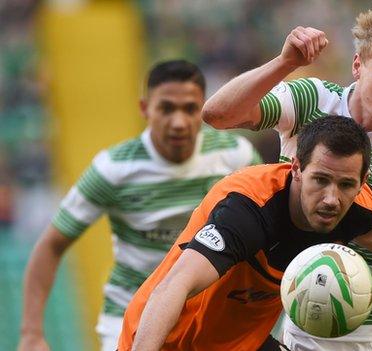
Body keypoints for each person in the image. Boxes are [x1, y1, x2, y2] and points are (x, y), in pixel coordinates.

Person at [202, 4, 372, 350]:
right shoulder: (311, 100)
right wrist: (285, 63)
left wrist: (323, 215)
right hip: (311, 330)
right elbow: (218, 114)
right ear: (357, 66)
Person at [118, 115, 372, 350]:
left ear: (362, 181)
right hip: (167, 340)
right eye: (320, 180)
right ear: (296, 168)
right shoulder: (249, 208)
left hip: (242, 345)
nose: (331, 199)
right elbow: (175, 285)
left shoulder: (357, 206)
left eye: (346, 185)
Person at [18, 60, 262, 351]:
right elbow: (51, 245)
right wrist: (31, 333)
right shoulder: (114, 169)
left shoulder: (235, 156)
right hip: (128, 313)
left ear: (205, 109)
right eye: (166, 108)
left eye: (190, 108)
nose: (179, 122)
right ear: (145, 109)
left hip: (204, 314)